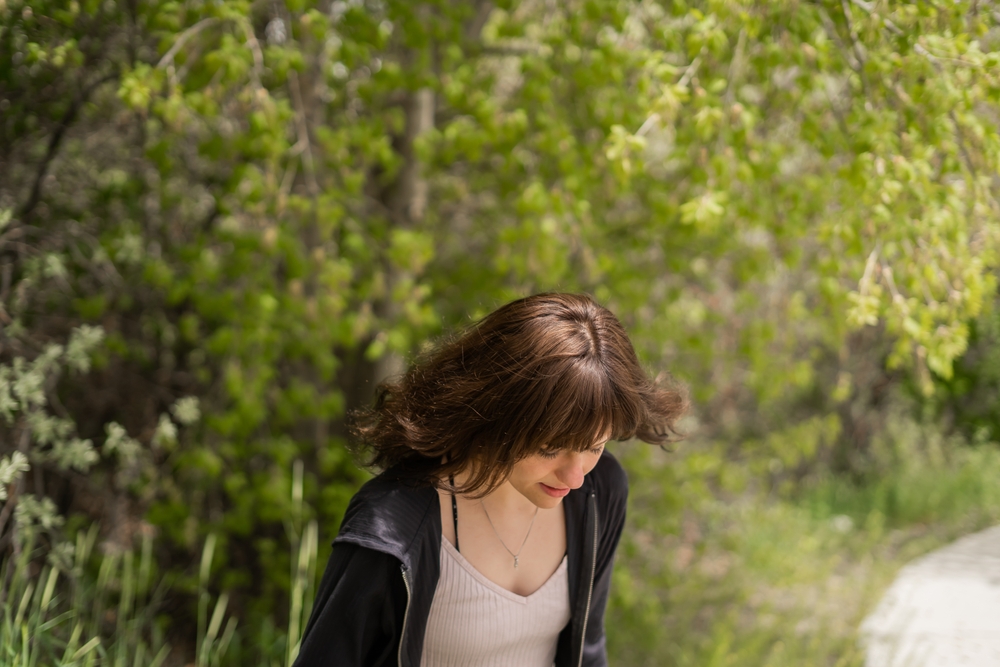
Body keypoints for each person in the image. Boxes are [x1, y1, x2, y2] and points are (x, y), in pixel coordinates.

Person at [293, 293, 687, 667]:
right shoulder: (390, 527)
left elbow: (587, 650)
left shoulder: (602, 492)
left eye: (594, 446)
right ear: (497, 415)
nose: (576, 476)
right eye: (551, 448)